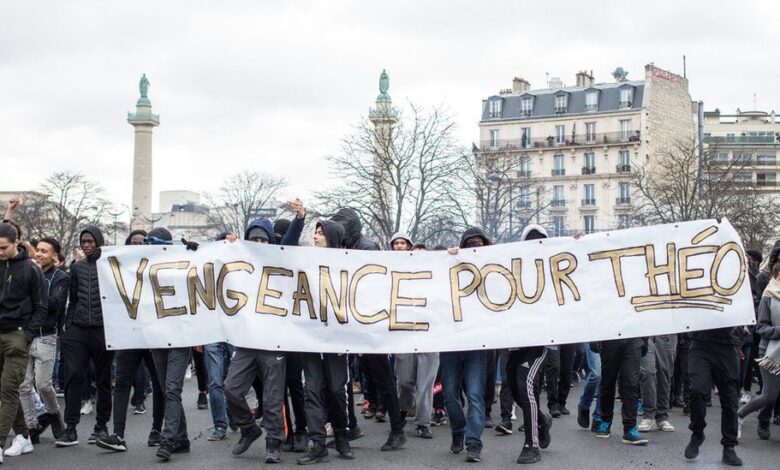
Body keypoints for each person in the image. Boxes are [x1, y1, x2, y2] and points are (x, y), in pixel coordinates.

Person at [225, 199, 305, 464]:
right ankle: (249, 429)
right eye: (253, 239)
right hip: (247, 339)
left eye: (263, 240)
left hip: (273, 340)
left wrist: (300, 218)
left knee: (273, 397)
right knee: (232, 389)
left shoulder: (279, 257)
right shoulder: (240, 258)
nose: (258, 244)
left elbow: (291, 241)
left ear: (270, 241)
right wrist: (230, 243)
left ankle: (274, 443)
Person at [96, 229, 165, 452]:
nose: (138, 245)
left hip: (155, 334)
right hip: (129, 332)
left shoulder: (161, 266)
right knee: (123, 381)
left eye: (142, 242)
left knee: (159, 383)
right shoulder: (120, 267)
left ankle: (157, 429)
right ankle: (118, 434)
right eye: (133, 242)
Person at [297, 219, 355, 465]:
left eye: (320, 233)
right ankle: (317, 443)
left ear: (331, 237)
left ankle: (342, 436)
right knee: (311, 391)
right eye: (315, 233)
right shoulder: (303, 262)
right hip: (310, 340)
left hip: (336, 340)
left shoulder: (349, 264)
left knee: (335, 389)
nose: (316, 237)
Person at [56, 226, 114, 448]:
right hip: (77, 330)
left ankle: (101, 427)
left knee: (103, 379)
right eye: (83, 242)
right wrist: (67, 327)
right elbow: (71, 299)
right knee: (73, 377)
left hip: (103, 330)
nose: (87, 245)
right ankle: (70, 429)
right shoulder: (77, 268)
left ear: (98, 241)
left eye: (90, 241)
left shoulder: (110, 266)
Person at [142, 227, 193, 461]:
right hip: (158, 336)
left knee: (172, 388)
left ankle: (168, 438)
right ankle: (181, 438)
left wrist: (194, 252)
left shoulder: (182, 264)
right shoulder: (141, 268)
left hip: (180, 337)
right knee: (166, 388)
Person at [441, 227, 491, 463]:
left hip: (476, 344)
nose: (475, 247)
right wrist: (446, 258)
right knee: (450, 395)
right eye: (470, 243)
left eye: (479, 244)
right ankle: (458, 431)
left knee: (474, 395)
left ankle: (474, 443)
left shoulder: (493, 270)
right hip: (450, 342)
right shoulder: (450, 267)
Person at [506, 225, 554, 464]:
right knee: (515, 389)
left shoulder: (552, 267)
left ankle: (531, 444)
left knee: (526, 384)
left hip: (538, 341)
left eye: (541, 240)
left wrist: (577, 245)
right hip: (515, 341)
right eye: (531, 241)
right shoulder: (514, 267)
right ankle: (541, 421)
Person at [0, 223, 46, 460]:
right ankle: (23, 436)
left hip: (18, 336)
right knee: (5, 391)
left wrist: (27, 334)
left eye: (3, 248)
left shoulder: (31, 269)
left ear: (16, 243)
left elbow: (41, 306)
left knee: (8, 390)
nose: (0, 252)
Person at [20, 237, 68, 444]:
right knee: (23, 385)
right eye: (37, 250)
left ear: (54, 256)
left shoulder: (61, 277)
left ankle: (54, 414)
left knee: (43, 384)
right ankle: (31, 426)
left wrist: (36, 286)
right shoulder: (26, 272)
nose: (39, 254)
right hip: (24, 334)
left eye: (44, 251)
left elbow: (56, 304)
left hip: (46, 336)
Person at [391, 233, 439, 440]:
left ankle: (423, 422)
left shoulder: (438, 277)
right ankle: (403, 410)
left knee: (425, 383)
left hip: (430, 335)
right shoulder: (399, 273)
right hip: (405, 334)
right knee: (405, 381)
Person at [684, 322, 743, 466]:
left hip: (728, 344)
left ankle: (729, 446)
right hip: (700, 342)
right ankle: (697, 433)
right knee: (697, 389)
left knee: (730, 398)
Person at [738, 261, 780, 440]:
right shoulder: (768, 296)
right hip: (770, 353)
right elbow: (761, 328)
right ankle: (738, 415)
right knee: (769, 396)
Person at [592, 336, 648, 445]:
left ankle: (630, 428)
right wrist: (594, 338)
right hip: (610, 335)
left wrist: (644, 339)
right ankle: (606, 420)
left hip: (633, 336)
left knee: (631, 382)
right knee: (608, 380)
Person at [637, 334, 678, 432]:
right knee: (647, 372)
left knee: (664, 374)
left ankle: (662, 416)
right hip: (646, 332)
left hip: (667, 333)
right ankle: (648, 415)